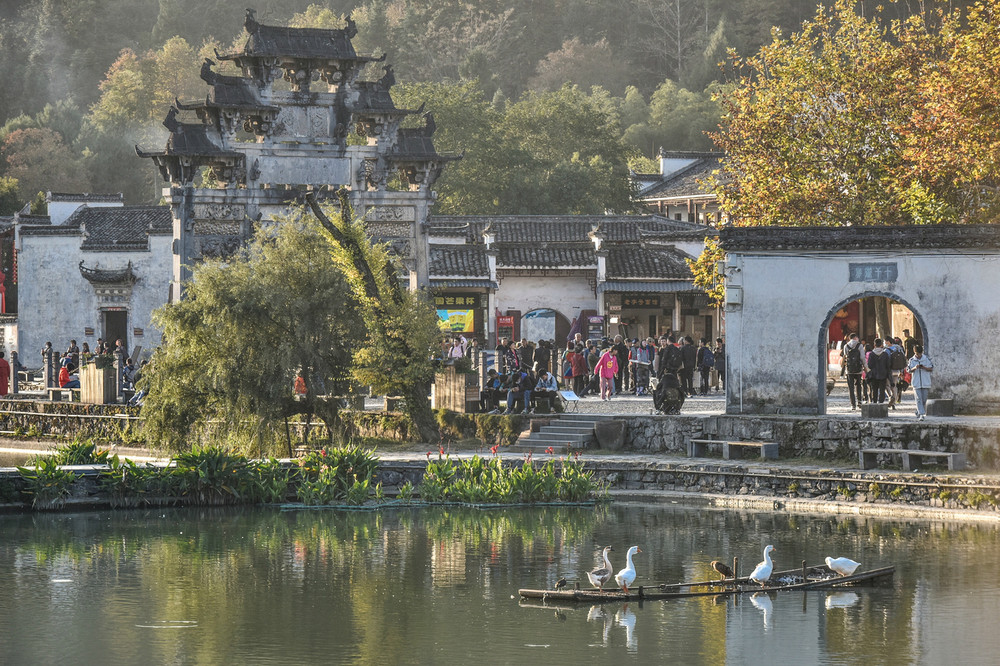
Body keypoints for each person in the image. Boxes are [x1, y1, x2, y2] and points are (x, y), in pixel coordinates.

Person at [907, 345, 933, 420]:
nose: (919, 355)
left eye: (920, 354)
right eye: (917, 354)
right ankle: (922, 414)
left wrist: (924, 367)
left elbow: (931, 368)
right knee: (918, 398)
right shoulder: (912, 360)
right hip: (916, 382)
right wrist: (915, 368)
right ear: (915, 352)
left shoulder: (926, 359)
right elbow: (908, 370)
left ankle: (918, 411)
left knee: (924, 399)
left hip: (925, 381)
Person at [841, 333, 866, 409]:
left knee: (850, 387)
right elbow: (862, 357)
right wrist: (865, 366)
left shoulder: (846, 346)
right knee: (858, 385)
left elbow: (845, 357)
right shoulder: (860, 345)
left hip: (849, 369)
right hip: (858, 369)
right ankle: (859, 402)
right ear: (856, 338)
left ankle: (853, 405)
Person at [866, 338, 891, 404]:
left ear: (874, 345)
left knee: (874, 389)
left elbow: (870, 365)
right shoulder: (885, 354)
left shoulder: (872, 354)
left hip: (874, 374)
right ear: (881, 345)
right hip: (883, 374)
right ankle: (881, 402)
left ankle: (874, 402)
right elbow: (888, 365)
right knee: (882, 390)